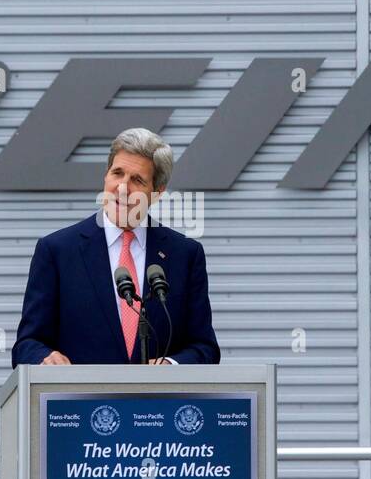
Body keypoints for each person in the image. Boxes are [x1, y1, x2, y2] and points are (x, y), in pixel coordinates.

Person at [11, 128, 221, 366]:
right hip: (81, 401)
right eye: (117, 173)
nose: (123, 188)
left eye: (137, 180)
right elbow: (27, 345)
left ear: (157, 192)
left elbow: (205, 348)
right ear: (105, 176)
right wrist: (44, 358)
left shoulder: (185, 255)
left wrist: (171, 365)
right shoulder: (57, 251)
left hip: (159, 400)